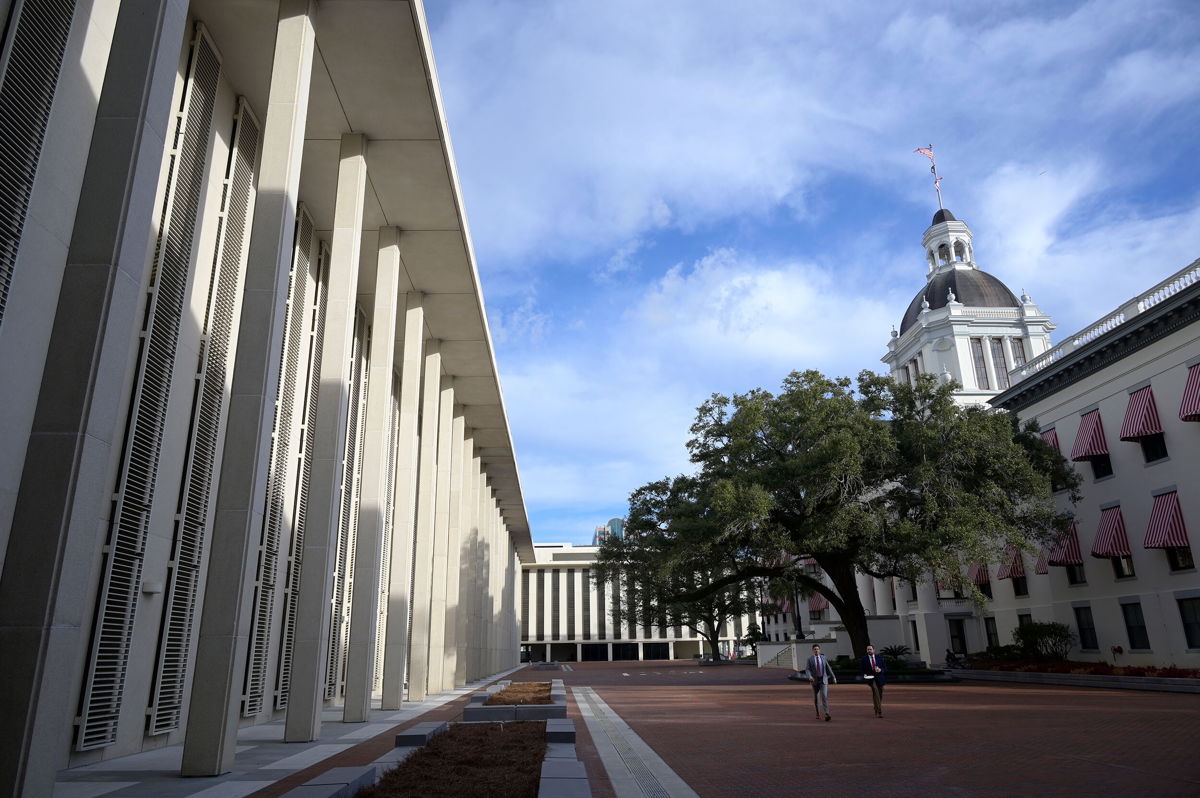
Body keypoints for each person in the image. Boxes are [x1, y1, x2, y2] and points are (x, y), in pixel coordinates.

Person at [804, 644, 836, 721]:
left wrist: (833, 677)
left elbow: (828, 668)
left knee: (824, 696)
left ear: (819, 650)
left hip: (823, 680)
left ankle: (827, 713)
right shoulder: (810, 659)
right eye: (815, 649)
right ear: (812, 650)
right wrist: (810, 676)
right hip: (815, 681)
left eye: (817, 649)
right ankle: (817, 712)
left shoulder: (823, 658)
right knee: (816, 698)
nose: (816, 650)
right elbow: (807, 669)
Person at [860, 644, 887, 717]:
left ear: (873, 650)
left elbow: (885, 668)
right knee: (876, 692)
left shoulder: (879, 658)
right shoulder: (864, 659)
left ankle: (876, 707)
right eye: (867, 649)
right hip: (871, 679)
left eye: (870, 649)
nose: (869, 651)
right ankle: (879, 711)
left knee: (879, 694)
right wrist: (864, 675)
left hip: (880, 678)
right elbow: (862, 670)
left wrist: (880, 670)